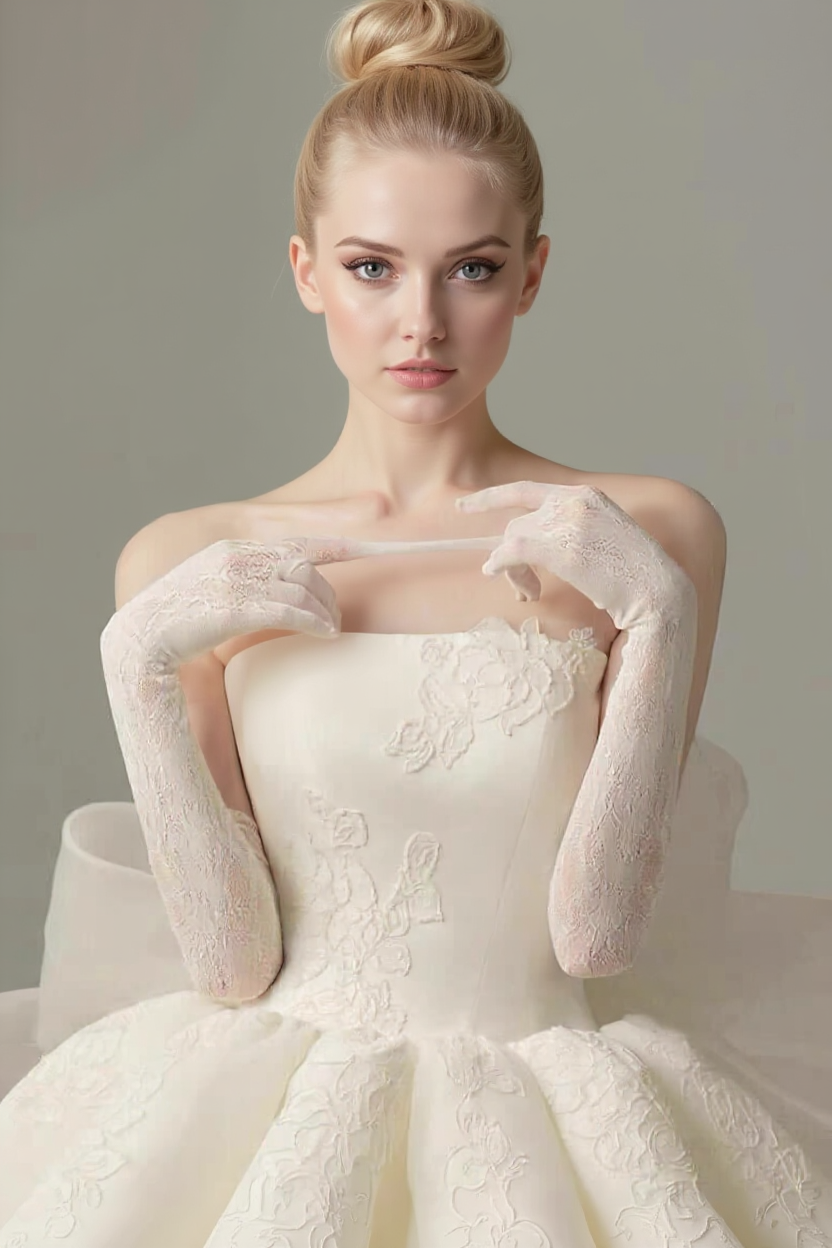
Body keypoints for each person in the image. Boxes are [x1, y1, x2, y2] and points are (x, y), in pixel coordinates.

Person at [0, 1, 830, 1243]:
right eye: (372, 267)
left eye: (474, 269)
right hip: (264, 1117)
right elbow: (231, 968)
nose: (422, 324)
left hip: (556, 1105)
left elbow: (594, 937)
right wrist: (138, 670)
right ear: (305, 272)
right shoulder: (188, 561)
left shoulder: (650, 534)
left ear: (533, 273)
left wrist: (652, 612)